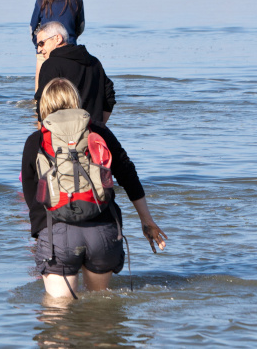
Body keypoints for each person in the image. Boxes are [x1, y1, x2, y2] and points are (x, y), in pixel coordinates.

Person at [22, 77, 167, 299]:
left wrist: (42, 238)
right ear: (76, 101)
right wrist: (147, 221)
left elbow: (34, 199)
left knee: (58, 318)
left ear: (44, 106)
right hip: (103, 230)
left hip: (58, 233)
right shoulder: (99, 132)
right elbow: (128, 175)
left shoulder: (36, 140)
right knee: (99, 309)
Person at [34, 22, 115, 124]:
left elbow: (42, 103)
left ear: (58, 39)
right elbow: (109, 95)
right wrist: (99, 125)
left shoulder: (51, 64)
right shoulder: (94, 62)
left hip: (63, 134)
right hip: (92, 133)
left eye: (41, 43)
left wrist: (43, 135)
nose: (39, 49)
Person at [31, 0, 85, 85]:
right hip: (69, 49)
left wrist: (39, 44)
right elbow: (80, 26)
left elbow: (32, 27)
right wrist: (71, 38)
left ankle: (38, 101)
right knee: (69, 87)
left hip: (45, 50)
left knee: (41, 90)